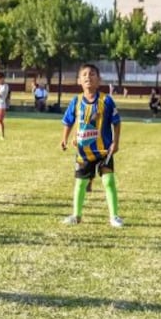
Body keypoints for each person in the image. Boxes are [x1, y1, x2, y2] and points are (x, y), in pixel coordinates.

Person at [60, 64, 123, 228]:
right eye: (85, 75)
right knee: (80, 183)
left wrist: (116, 142)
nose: (88, 77)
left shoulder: (106, 100)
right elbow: (68, 122)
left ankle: (114, 217)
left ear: (99, 80)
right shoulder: (76, 101)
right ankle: (76, 215)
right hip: (84, 152)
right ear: (79, 80)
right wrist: (65, 139)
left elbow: (116, 123)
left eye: (92, 74)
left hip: (104, 150)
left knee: (108, 181)